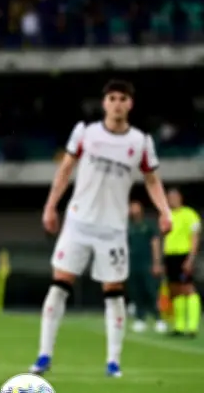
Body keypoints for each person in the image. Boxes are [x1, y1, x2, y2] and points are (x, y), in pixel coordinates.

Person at [31, 79, 172, 378]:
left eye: (123, 98)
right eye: (112, 98)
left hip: (113, 229)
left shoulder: (141, 142)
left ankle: (113, 362)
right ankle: (44, 356)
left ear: (130, 104)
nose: (117, 103)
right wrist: (50, 206)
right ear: (104, 102)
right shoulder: (86, 132)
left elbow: (152, 180)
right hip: (78, 223)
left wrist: (164, 211)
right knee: (59, 285)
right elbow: (65, 170)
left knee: (114, 292)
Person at [163, 188, 201, 337]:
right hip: (170, 255)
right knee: (174, 289)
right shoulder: (167, 215)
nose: (171, 200)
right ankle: (179, 325)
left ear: (180, 198)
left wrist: (191, 258)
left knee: (188, 288)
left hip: (183, 255)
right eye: (169, 197)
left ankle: (192, 326)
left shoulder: (189, 214)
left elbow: (194, 237)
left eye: (174, 197)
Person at [126, 199, 166, 333]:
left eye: (136, 207)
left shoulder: (149, 225)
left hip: (147, 263)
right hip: (133, 264)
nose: (134, 210)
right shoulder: (128, 226)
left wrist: (156, 263)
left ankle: (159, 319)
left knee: (151, 291)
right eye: (131, 208)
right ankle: (140, 319)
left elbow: (155, 243)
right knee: (136, 292)